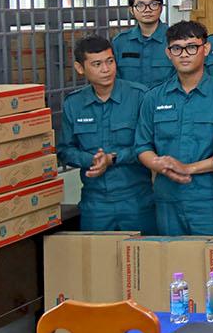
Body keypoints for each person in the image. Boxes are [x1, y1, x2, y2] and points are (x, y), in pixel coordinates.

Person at [133, 21, 213, 236]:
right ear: (168, 53)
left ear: (205, 49)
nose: (184, 54)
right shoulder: (154, 97)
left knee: (212, 266)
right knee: (173, 265)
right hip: (167, 200)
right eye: (177, 48)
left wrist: (189, 168)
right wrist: (159, 164)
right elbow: (142, 145)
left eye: (192, 47)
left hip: (210, 200)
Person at [59, 36, 153, 231]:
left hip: (137, 201)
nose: (106, 69)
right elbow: (65, 150)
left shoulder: (139, 96)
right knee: (98, 259)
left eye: (110, 61)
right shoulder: (73, 104)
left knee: (142, 259)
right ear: (80, 68)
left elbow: (149, 144)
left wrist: (112, 158)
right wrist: (91, 160)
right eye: (97, 64)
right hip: (96, 204)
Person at [113, 0, 172, 89]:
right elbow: (114, 78)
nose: (147, 9)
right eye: (140, 5)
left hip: (164, 102)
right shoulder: (120, 42)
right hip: (130, 102)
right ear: (131, 10)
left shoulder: (174, 39)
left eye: (153, 4)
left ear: (161, 8)